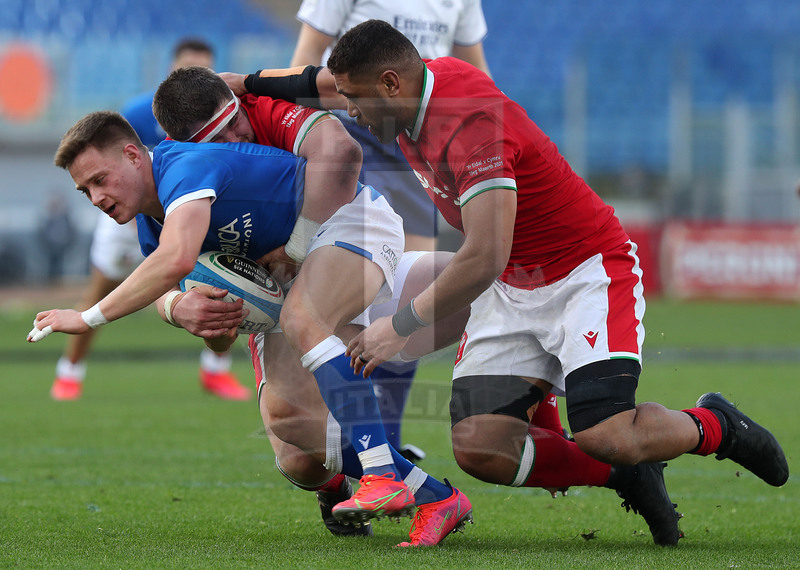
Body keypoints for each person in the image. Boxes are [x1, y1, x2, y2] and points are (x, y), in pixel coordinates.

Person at [221, 19, 790, 545]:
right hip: (515, 287)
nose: (346, 109)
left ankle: (717, 425)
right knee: (480, 448)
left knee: (605, 430)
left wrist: (400, 328)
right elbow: (317, 82)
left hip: (583, 272)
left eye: (354, 98)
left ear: (390, 83)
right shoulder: (407, 89)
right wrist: (242, 83)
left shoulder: (468, 130)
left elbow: (485, 255)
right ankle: (628, 478)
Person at [164, 67, 690, 546]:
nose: (237, 140)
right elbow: (196, 302)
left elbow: (339, 137)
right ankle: (356, 482)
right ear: (180, 148)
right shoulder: (183, 196)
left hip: (355, 255)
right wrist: (180, 308)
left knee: (482, 282)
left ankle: (531, 421)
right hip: (289, 300)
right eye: (218, 139)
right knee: (298, 448)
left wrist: (300, 245)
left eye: (233, 123)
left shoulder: (262, 111)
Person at [27, 111, 473, 547]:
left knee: (305, 318)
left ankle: (382, 472)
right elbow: (217, 327)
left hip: (345, 223)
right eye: (84, 191)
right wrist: (189, 310)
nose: (96, 198)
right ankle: (434, 496)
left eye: (99, 180)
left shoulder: (183, 167)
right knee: (294, 443)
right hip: (288, 283)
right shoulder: (152, 227)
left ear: (132, 154)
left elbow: (176, 260)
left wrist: (86, 317)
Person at [289, 0, 492, 461]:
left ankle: (385, 441)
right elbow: (304, 62)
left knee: (408, 293)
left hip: (420, 141)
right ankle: (354, 437)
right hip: (356, 137)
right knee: (364, 289)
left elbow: (475, 71)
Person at [49, 37, 252, 401]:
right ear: (169, 72)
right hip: (133, 212)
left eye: (203, 70)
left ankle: (215, 372)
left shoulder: (220, 111)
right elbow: (121, 171)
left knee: (217, 281)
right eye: (186, 68)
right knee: (102, 286)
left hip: (189, 205)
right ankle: (70, 371)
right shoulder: (140, 112)